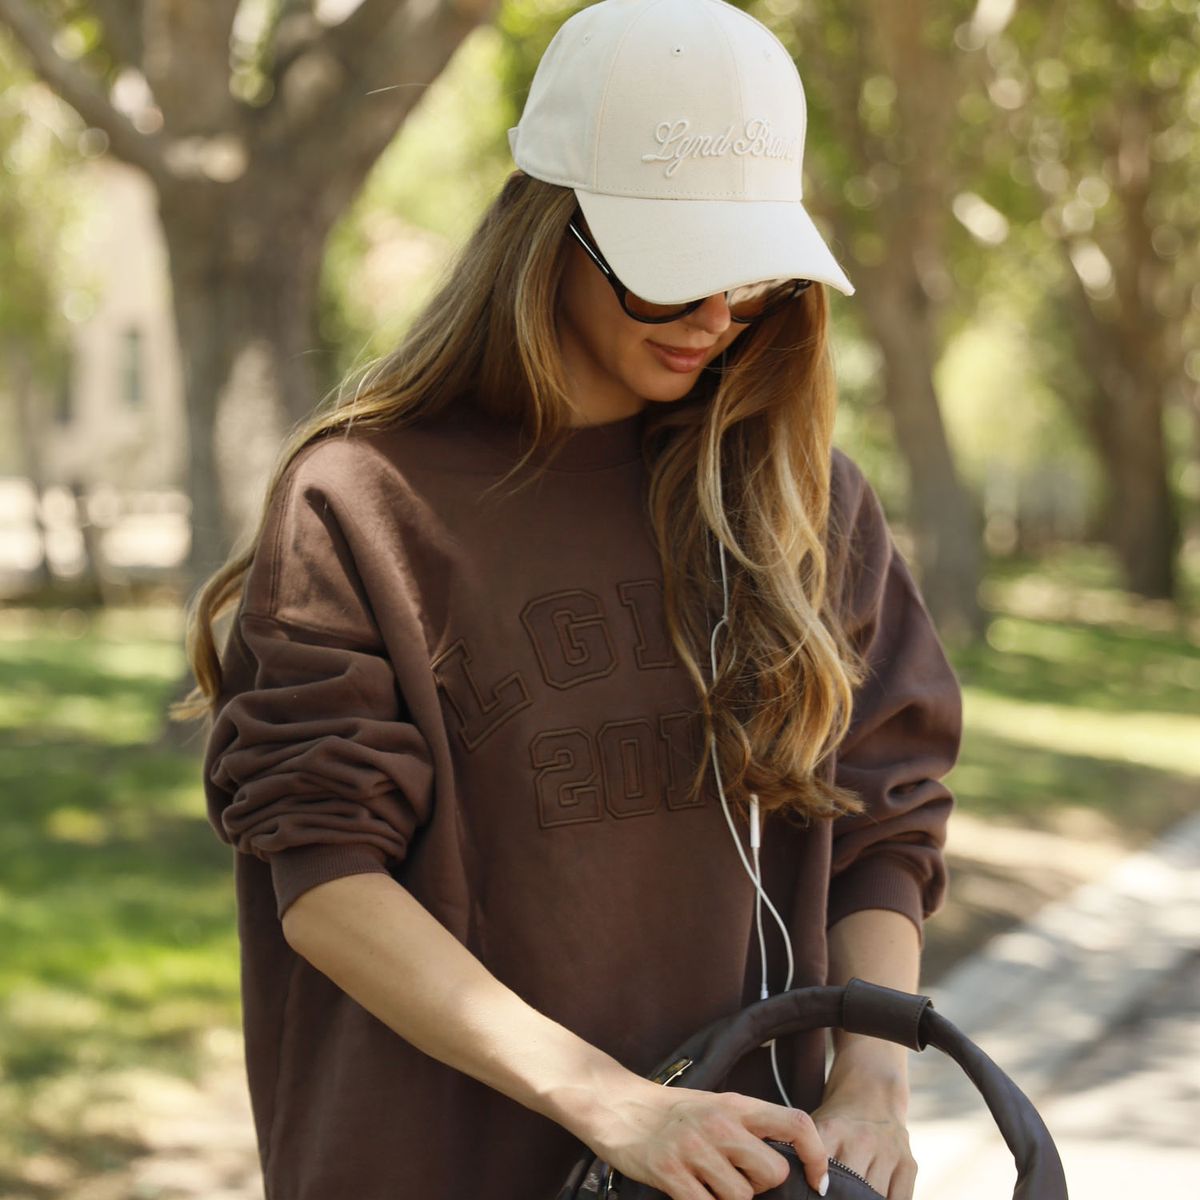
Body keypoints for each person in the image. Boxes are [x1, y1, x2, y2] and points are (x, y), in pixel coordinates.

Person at [179, 1, 962, 1197]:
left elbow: (884, 818)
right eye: (672, 277)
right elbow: (327, 885)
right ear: (553, 234)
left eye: (752, 278)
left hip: (735, 1175)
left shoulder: (802, 503)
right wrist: (613, 1103)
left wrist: (873, 1077)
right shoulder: (360, 502)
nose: (716, 320)